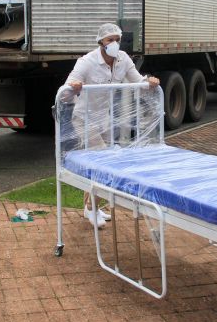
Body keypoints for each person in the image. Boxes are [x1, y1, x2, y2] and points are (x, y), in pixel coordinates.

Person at [65, 23, 160, 228]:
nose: (114, 43)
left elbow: (138, 82)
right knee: (102, 161)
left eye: (117, 39)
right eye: (110, 40)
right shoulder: (87, 62)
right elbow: (66, 89)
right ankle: (91, 208)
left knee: (102, 164)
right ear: (101, 42)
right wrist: (75, 86)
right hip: (84, 117)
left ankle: (91, 207)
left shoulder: (123, 59)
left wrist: (149, 82)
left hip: (104, 118)